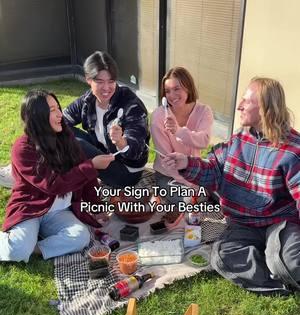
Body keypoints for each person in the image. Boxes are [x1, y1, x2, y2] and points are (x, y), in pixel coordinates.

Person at [162, 77, 300, 294]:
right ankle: (280, 281)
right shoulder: (238, 140)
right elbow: (213, 171)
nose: (239, 106)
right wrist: (186, 163)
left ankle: (280, 263)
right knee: (222, 257)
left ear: (264, 108)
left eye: (246, 101)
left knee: (291, 261)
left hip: (279, 222)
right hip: (243, 223)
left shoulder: (292, 151)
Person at [0, 89, 114, 263]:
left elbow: (88, 179)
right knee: (15, 252)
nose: (60, 114)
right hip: (31, 208)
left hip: (59, 211)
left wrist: (97, 208)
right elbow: (54, 185)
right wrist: (91, 165)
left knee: (81, 237)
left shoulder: (66, 137)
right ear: (38, 116)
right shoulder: (23, 148)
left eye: (58, 107)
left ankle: (36, 248)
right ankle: (22, 243)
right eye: (52, 110)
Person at [63, 50, 149, 188]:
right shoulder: (88, 100)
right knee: (62, 131)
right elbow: (61, 121)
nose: (106, 88)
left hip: (126, 172)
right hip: (104, 154)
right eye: (100, 82)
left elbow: (136, 151)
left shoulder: (131, 104)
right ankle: (65, 173)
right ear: (88, 79)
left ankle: (71, 178)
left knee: (75, 144)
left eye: (111, 81)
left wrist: (120, 141)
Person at [150, 66, 213, 226]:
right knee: (188, 201)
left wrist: (178, 131)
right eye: (167, 91)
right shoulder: (159, 116)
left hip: (195, 172)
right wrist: (191, 188)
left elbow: (203, 140)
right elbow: (167, 160)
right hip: (169, 175)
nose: (172, 96)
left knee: (218, 193)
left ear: (188, 86)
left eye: (176, 89)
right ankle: (162, 193)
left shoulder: (204, 111)